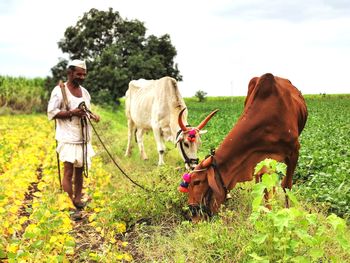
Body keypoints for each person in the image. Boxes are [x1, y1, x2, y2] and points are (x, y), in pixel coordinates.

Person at [47, 59, 100, 209]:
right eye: (79, 74)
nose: (82, 77)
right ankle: (68, 203)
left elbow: (86, 110)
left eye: (84, 74)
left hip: (82, 137)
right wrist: (71, 113)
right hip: (67, 137)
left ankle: (77, 200)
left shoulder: (85, 92)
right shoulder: (59, 91)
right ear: (70, 73)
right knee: (68, 171)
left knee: (80, 171)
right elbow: (51, 112)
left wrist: (93, 116)